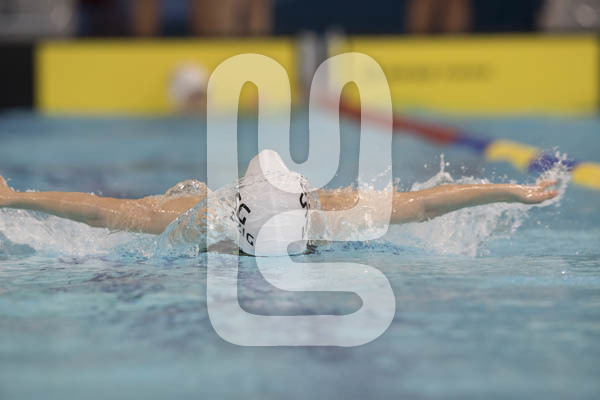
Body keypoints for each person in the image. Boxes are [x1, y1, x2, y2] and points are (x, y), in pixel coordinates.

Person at [0, 150, 557, 254]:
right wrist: (16, 198)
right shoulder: (200, 221)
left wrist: (16, 197)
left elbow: (423, 205)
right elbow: (427, 205)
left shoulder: (327, 214)